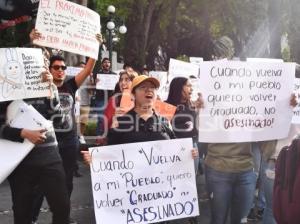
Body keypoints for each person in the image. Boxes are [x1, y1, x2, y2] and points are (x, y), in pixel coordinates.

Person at [82, 75, 198, 224]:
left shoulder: (164, 122)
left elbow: (175, 153)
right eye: (143, 87)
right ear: (133, 94)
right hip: (132, 199)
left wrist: (188, 154)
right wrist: (95, 159)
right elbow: (110, 155)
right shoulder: (122, 123)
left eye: (153, 88)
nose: (149, 90)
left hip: (160, 199)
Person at [0, 70, 70, 224]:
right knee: (22, 212)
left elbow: (59, 121)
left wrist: (52, 91)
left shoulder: (48, 89)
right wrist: (23, 133)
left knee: (62, 207)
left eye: (45, 62)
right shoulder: (6, 92)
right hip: (20, 163)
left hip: (51, 159)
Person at [92, 58, 117, 136]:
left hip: (110, 99)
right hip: (100, 99)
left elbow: (116, 87)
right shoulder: (97, 74)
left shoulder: (114, 75)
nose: (107, 64)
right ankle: (99, 137)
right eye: (105, 62)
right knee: (101, 119)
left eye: (108, 62)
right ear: (102, 64)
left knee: (110, 118)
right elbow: (92, 88)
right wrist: (95, 83)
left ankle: (107, 137)